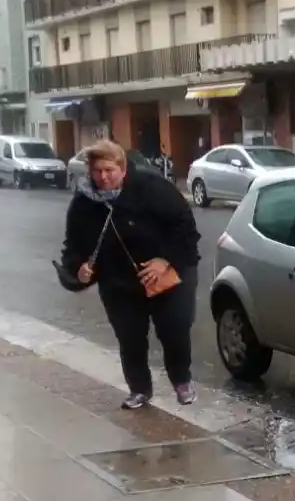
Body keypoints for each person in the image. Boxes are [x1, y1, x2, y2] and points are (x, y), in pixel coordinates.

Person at [60, 140, 201, 409]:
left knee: (174, 329)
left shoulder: (152, 188)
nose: (103, 177)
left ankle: (181, 380)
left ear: (123, 168)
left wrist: (165, 259)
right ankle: (139, 389)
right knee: (130, 336)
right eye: (97, 171)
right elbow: (73, 245)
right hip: (118, 281)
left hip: (166, 275)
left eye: (109, 170)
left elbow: (186, 229)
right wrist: (78, 267)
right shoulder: (83, 203)